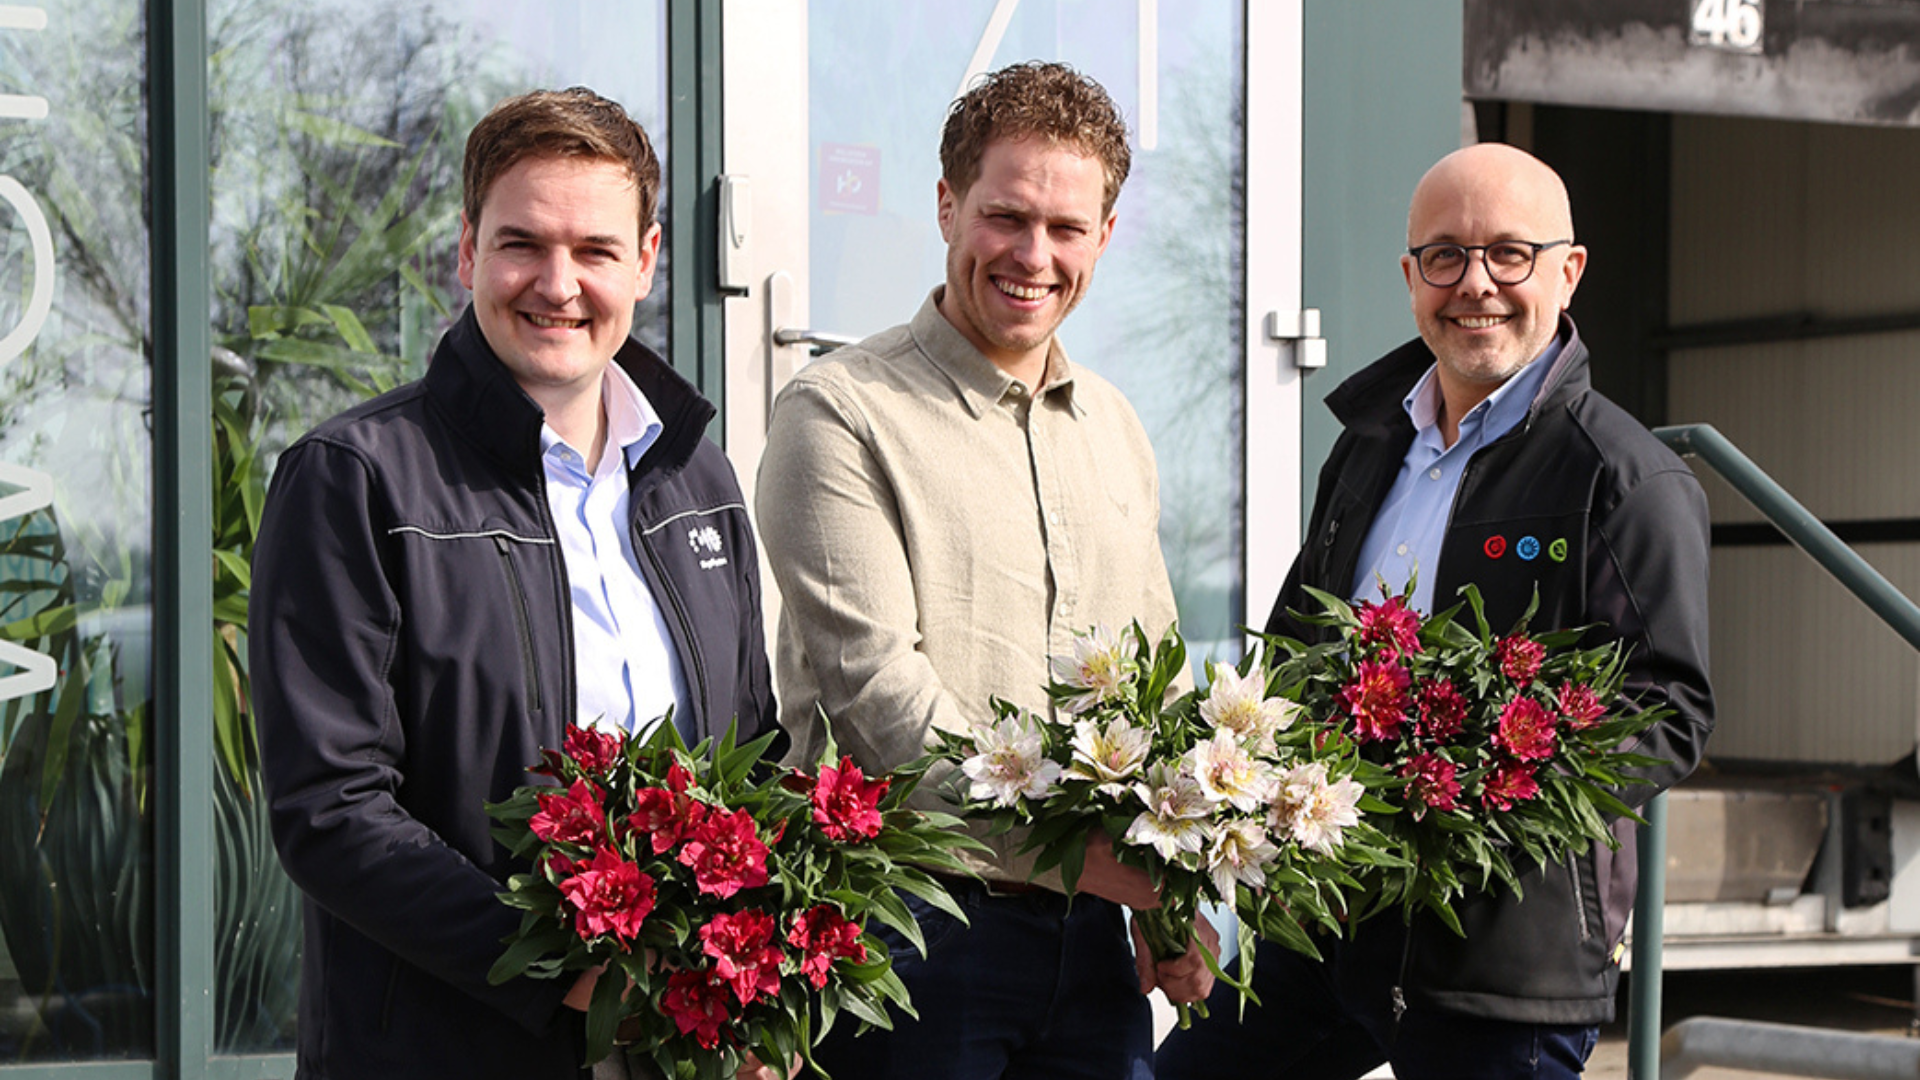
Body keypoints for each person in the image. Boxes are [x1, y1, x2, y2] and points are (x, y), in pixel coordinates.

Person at [249, 88, 782, 1080]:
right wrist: (572, 978)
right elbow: (331, 809)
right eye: (521, 244)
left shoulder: (696, 480)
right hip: (448, 1048)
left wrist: (765, 982)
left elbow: (751, 752)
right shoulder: (356, 477)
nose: (558, 283)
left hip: (682, 1047)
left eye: (595, 250)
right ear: (466, 252)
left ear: (649, 261)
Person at [1154, 141, 1715, 1079]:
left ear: (1567, 271)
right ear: (1410, 277)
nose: (1476, 284)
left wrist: (1478, 806)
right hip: (1326, 918)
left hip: (1501, 956)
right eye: (1446, 256)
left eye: (1510, 253)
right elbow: (1297, 645)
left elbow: (1667, 707)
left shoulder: (1621, 477)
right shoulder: (1370, 446)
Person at [755, 61, 1217, 1080]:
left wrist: (1174, 887)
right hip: (908, 930)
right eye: (1006, 216)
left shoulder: (1116, 424)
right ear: (946, 206)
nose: (1034, 255)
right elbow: (878, 698)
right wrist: (1113, 866)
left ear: (1104, 236)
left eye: (1067, 229)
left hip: (1093, 943)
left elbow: (1160, 678)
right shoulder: (839, 412)